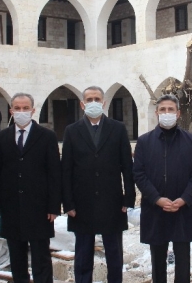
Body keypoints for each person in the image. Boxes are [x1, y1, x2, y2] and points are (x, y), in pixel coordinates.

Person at [61, 86, 136, 283]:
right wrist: (68, 202)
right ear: (82, 104)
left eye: (97, 99)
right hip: (81, 202)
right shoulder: (72, 131)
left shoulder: (117, 129)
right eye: (89, 99)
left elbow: (127, 166)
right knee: (83, 255)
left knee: (114, 254)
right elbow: (66, 169)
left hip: (112, 201)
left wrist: (128, 198)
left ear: (104, 103)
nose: (93, 102)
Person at [0, 93, 61, 283]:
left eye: (25, 108)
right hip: (11, 207)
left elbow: (54, 173)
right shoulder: (2, 137)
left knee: (41, 258)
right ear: (11, 111)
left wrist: (54, 206)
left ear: (33, 110)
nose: (21, 112)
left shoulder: (47, 136)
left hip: (39, 208)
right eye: (17, 108)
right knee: (17, 258)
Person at [133, 94, 192, 283]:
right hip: (155, 209)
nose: (166, 113)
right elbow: (139, 173)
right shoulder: (144, 141)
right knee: (158, 261)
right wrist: (156, 198)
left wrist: (185, 198)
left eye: (170, 109)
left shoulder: (190, 140)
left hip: (182, 209)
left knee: (183, 260)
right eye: (162, 109)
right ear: (156, 112)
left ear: (178, 113)